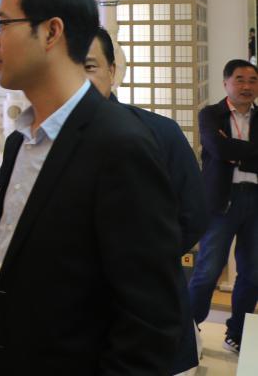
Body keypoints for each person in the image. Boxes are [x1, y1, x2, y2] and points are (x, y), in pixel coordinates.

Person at [0, 0, 181, 375]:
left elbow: (150, 321)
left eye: (4, 24)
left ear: (51, 32)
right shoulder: (22, 140)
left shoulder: (119, 144)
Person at [84, 27, 208, 373]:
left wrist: (141, 259)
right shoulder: (40, 141)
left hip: (147, 303)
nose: (79, 80)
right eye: (69, 67)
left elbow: (193, 213)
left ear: (112, 70)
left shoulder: (158, 132)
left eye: (90, 67)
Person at [186, 59, 258, 355]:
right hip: (221, 200)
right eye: (240, 79)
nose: (247, 86)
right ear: (226, 82)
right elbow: (216, 148)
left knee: (253, 273)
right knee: (207, 271)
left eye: (253, 80)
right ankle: (187, 334)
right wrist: (248, 152)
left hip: (255, 200)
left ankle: (237, 334)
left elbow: (227, 150)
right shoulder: (210, 115)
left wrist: (234, 152)